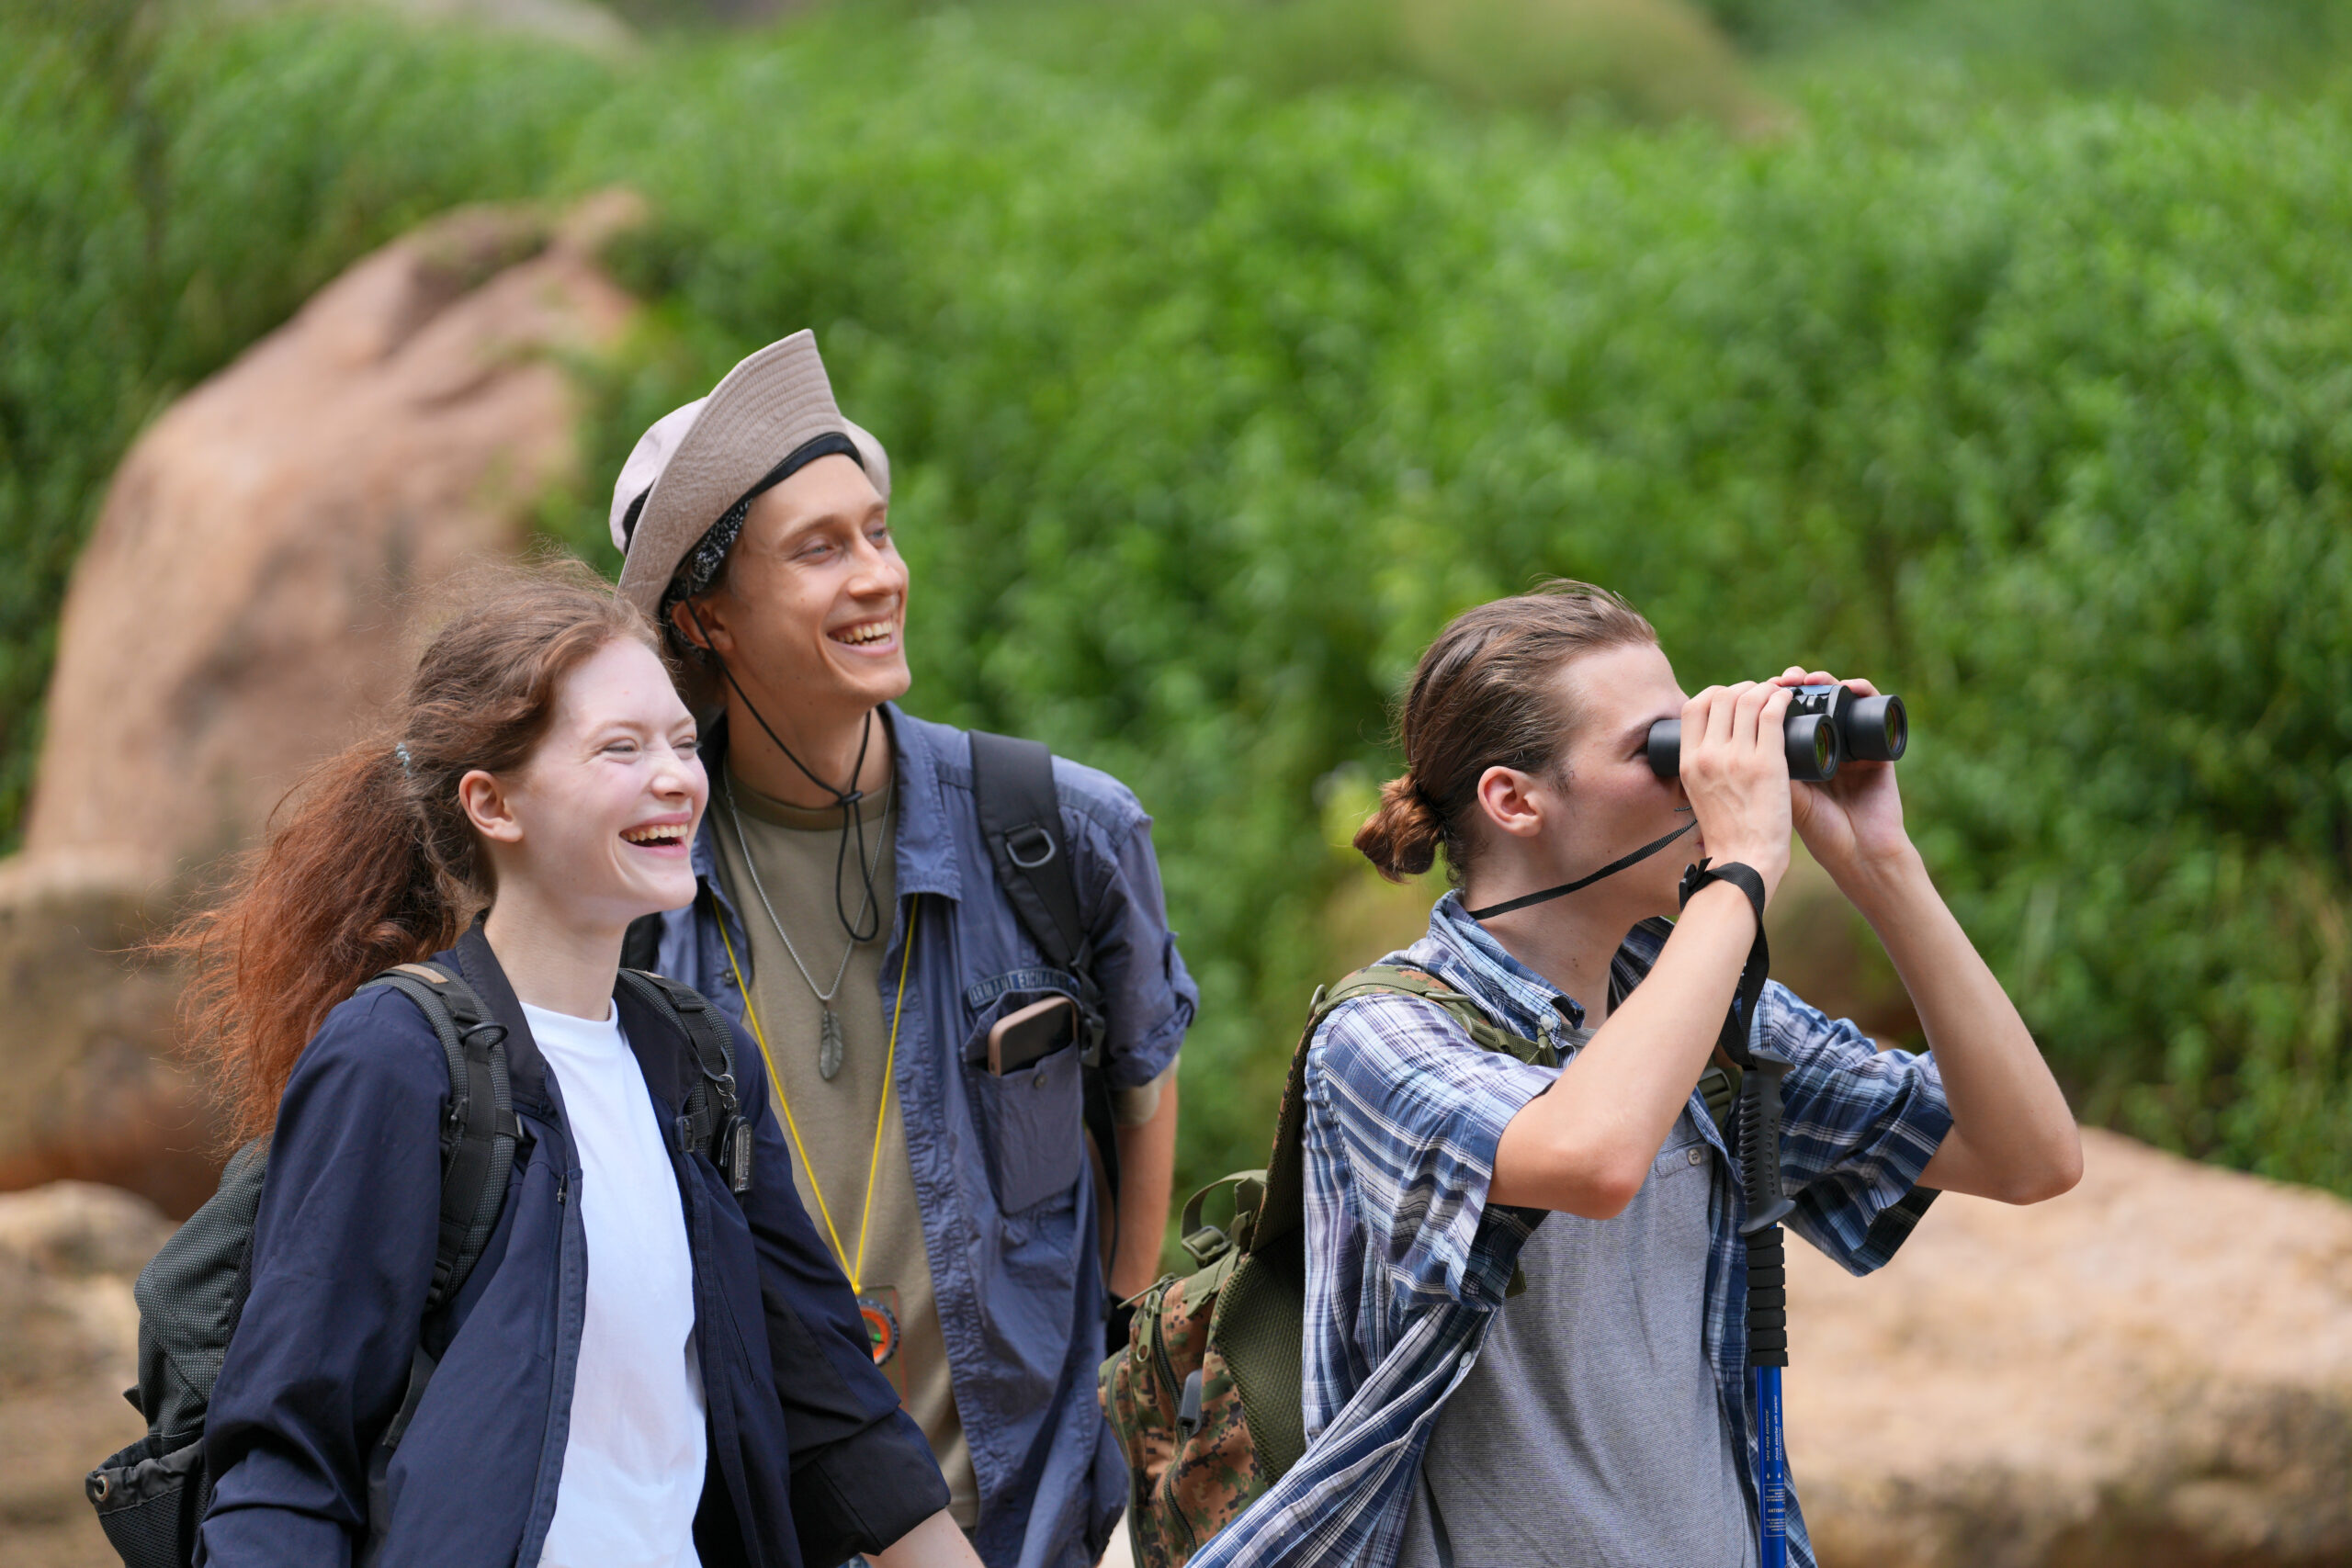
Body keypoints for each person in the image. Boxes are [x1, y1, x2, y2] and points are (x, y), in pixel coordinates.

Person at [1193, 581, 2082, 1568]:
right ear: (1514, 800)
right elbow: (1593, 1155)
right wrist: (1739, 870)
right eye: (1659, 750)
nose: (1702, 776)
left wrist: (1882, 864)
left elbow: (2028, 1156)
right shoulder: (1380, 1035)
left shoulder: (1696, 1002)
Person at [175, 565, 982, 1568]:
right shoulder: (396, 1058)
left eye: (681, 742)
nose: (677, 777)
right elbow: (288, 1455)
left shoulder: (702, 1064)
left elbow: (836, 1412)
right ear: (493, 804)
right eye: (621, 748)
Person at [607, 333, 1197, 1568]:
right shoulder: (633, 893)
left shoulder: (1061, 831)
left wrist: (1118, 1355)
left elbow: (1144, 1087)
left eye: (877, 532)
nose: (878, 575)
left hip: (1039, 1506)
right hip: (765, 1518)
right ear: (706, 616)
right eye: (821, 549)